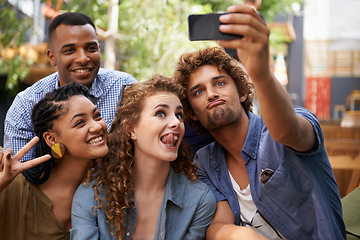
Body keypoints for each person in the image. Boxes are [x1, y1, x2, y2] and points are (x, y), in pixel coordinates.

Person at [174, 4, 346, 240]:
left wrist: (261, 72)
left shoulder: (287, 127)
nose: (211, 93)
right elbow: (218, 225)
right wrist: (239, 235)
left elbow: (288, 131)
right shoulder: (205, 161)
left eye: (220, 83)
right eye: (198, 92)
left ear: (242, 92)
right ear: (192, 113)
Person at [71, 75, 216, 240]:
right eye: (161, 113)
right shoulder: (92, 195)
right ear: (131, 129)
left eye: (179, 115)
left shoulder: (199, 200)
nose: (176, 123)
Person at [3, 12, 137, 162]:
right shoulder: (27, 104)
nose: (83, 58)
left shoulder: (124, 88)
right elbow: (19, 174)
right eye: (69, 51)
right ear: (52, 57)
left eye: (91, 48)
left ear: (99, 49)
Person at [0, 82, 109, 239]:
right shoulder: (11, 187)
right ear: (51, 139)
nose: (97, 126)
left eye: (97, 116)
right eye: (80, 123)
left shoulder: (109, 193)